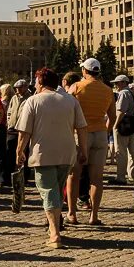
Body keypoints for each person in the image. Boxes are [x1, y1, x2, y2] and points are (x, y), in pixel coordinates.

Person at [16, 68, 88, 249]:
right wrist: (83, 150)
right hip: (66, 153)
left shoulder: (33, 101)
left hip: (43, 154)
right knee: (56, 190)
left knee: (48, 191)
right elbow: (82, 128)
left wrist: (19, 152)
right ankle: (54, 223)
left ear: (40, 82)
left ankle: (55, 233)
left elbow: (24, 132)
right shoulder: (70, 100)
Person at [66, 58, 116, 226]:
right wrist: (106, 131)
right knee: (97, 178)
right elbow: (113, 116)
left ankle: (72, 214)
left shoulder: (77, 87)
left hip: (80, 134)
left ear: (84, 71)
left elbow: (66, 109)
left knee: (74, 175)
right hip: (100, 133)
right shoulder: (107, 90)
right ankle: (94, 216)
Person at [110, 75, 134, 185]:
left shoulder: (123, 93)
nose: (116, 85)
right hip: (131, 124)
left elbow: (121, 111)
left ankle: (121, 177)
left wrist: (115, 125)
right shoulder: (132, 92)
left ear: (123, 82)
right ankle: (133, 174)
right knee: (132, 151)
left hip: (123, 124)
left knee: (121, 152)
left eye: (117, 83)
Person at [6, 79, 30, 177]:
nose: (17, 90)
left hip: (23, 129)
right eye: (15, 88)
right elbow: (9, 111)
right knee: (10, 152)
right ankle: (12, 173)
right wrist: (9, 122)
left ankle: (25, 176)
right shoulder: (14, 98)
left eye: (19, 88)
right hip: (12, 129)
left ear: (25, 87)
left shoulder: (29, 98)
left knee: (24, 153)